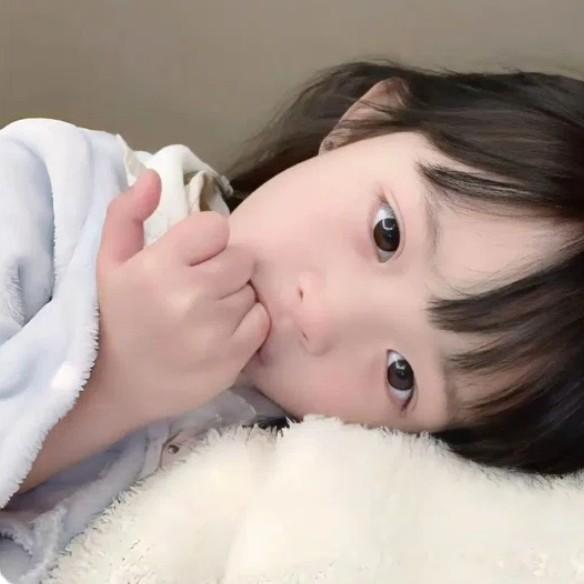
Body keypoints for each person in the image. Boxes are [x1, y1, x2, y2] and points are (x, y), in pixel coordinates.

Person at [0, 57, 583, 581]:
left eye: (400, 373)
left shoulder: (304, 485)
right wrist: (113, 383)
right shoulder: (50, 189)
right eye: (387, 234)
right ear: (365, 123)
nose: (323, 318)